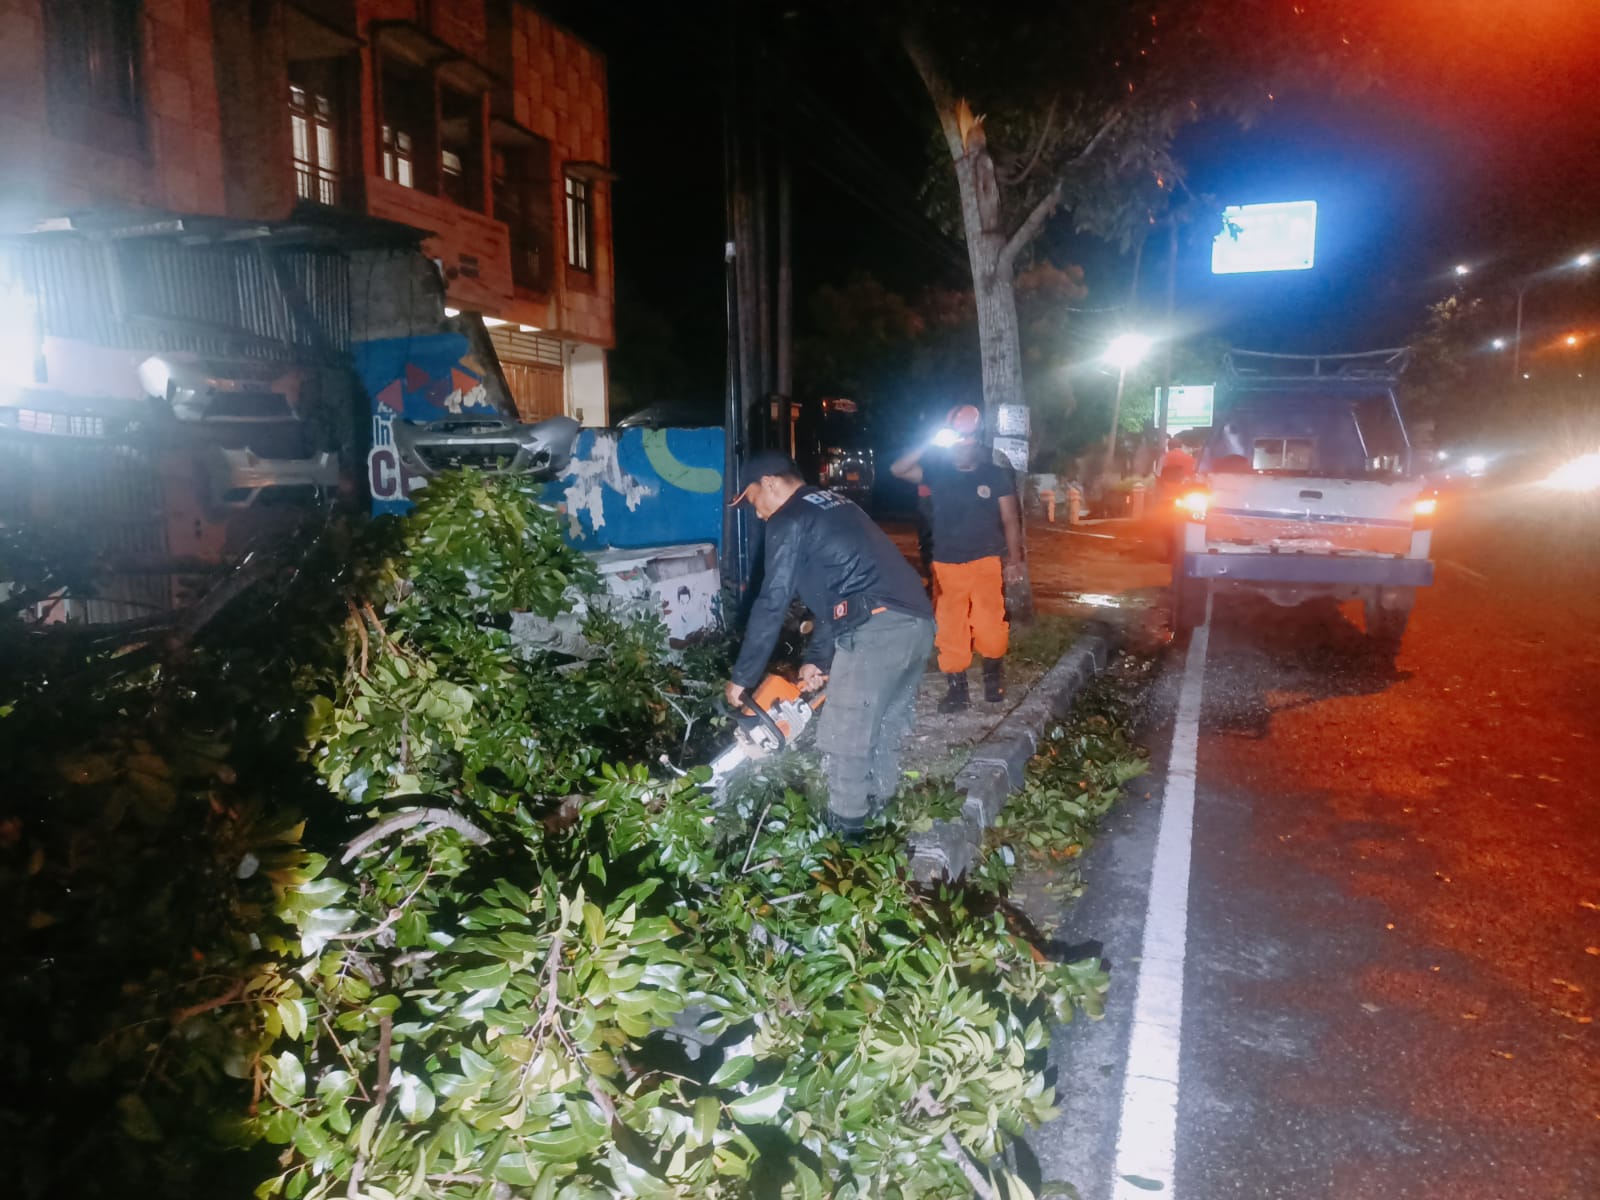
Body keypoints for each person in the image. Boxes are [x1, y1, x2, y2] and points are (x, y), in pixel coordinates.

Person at [724, 451, 934, 837]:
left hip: (878, 628)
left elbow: (773, 601)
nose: (756, 513)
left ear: (770, 483)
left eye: (753, 500)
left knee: (845, 736)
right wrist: (818, 659)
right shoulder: (834, 504)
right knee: (883, 727)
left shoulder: (788, 517)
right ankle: (882, 819)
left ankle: (848, 841)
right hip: (916, 622)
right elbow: (833, 595)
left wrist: (743, 678)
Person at [890, 405, 1024, 712]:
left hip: (986, 560)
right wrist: (929, 441)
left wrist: (1015, 559)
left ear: (977, 442)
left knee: (990, 624)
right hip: (947, 563)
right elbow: (898, 469)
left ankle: (993, 677)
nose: (964, 447)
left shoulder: (994, 473)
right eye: (958, 440)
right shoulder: (937, 473)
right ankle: (958, 689)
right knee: (951, 627)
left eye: (969, 439)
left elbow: (1010, 519)